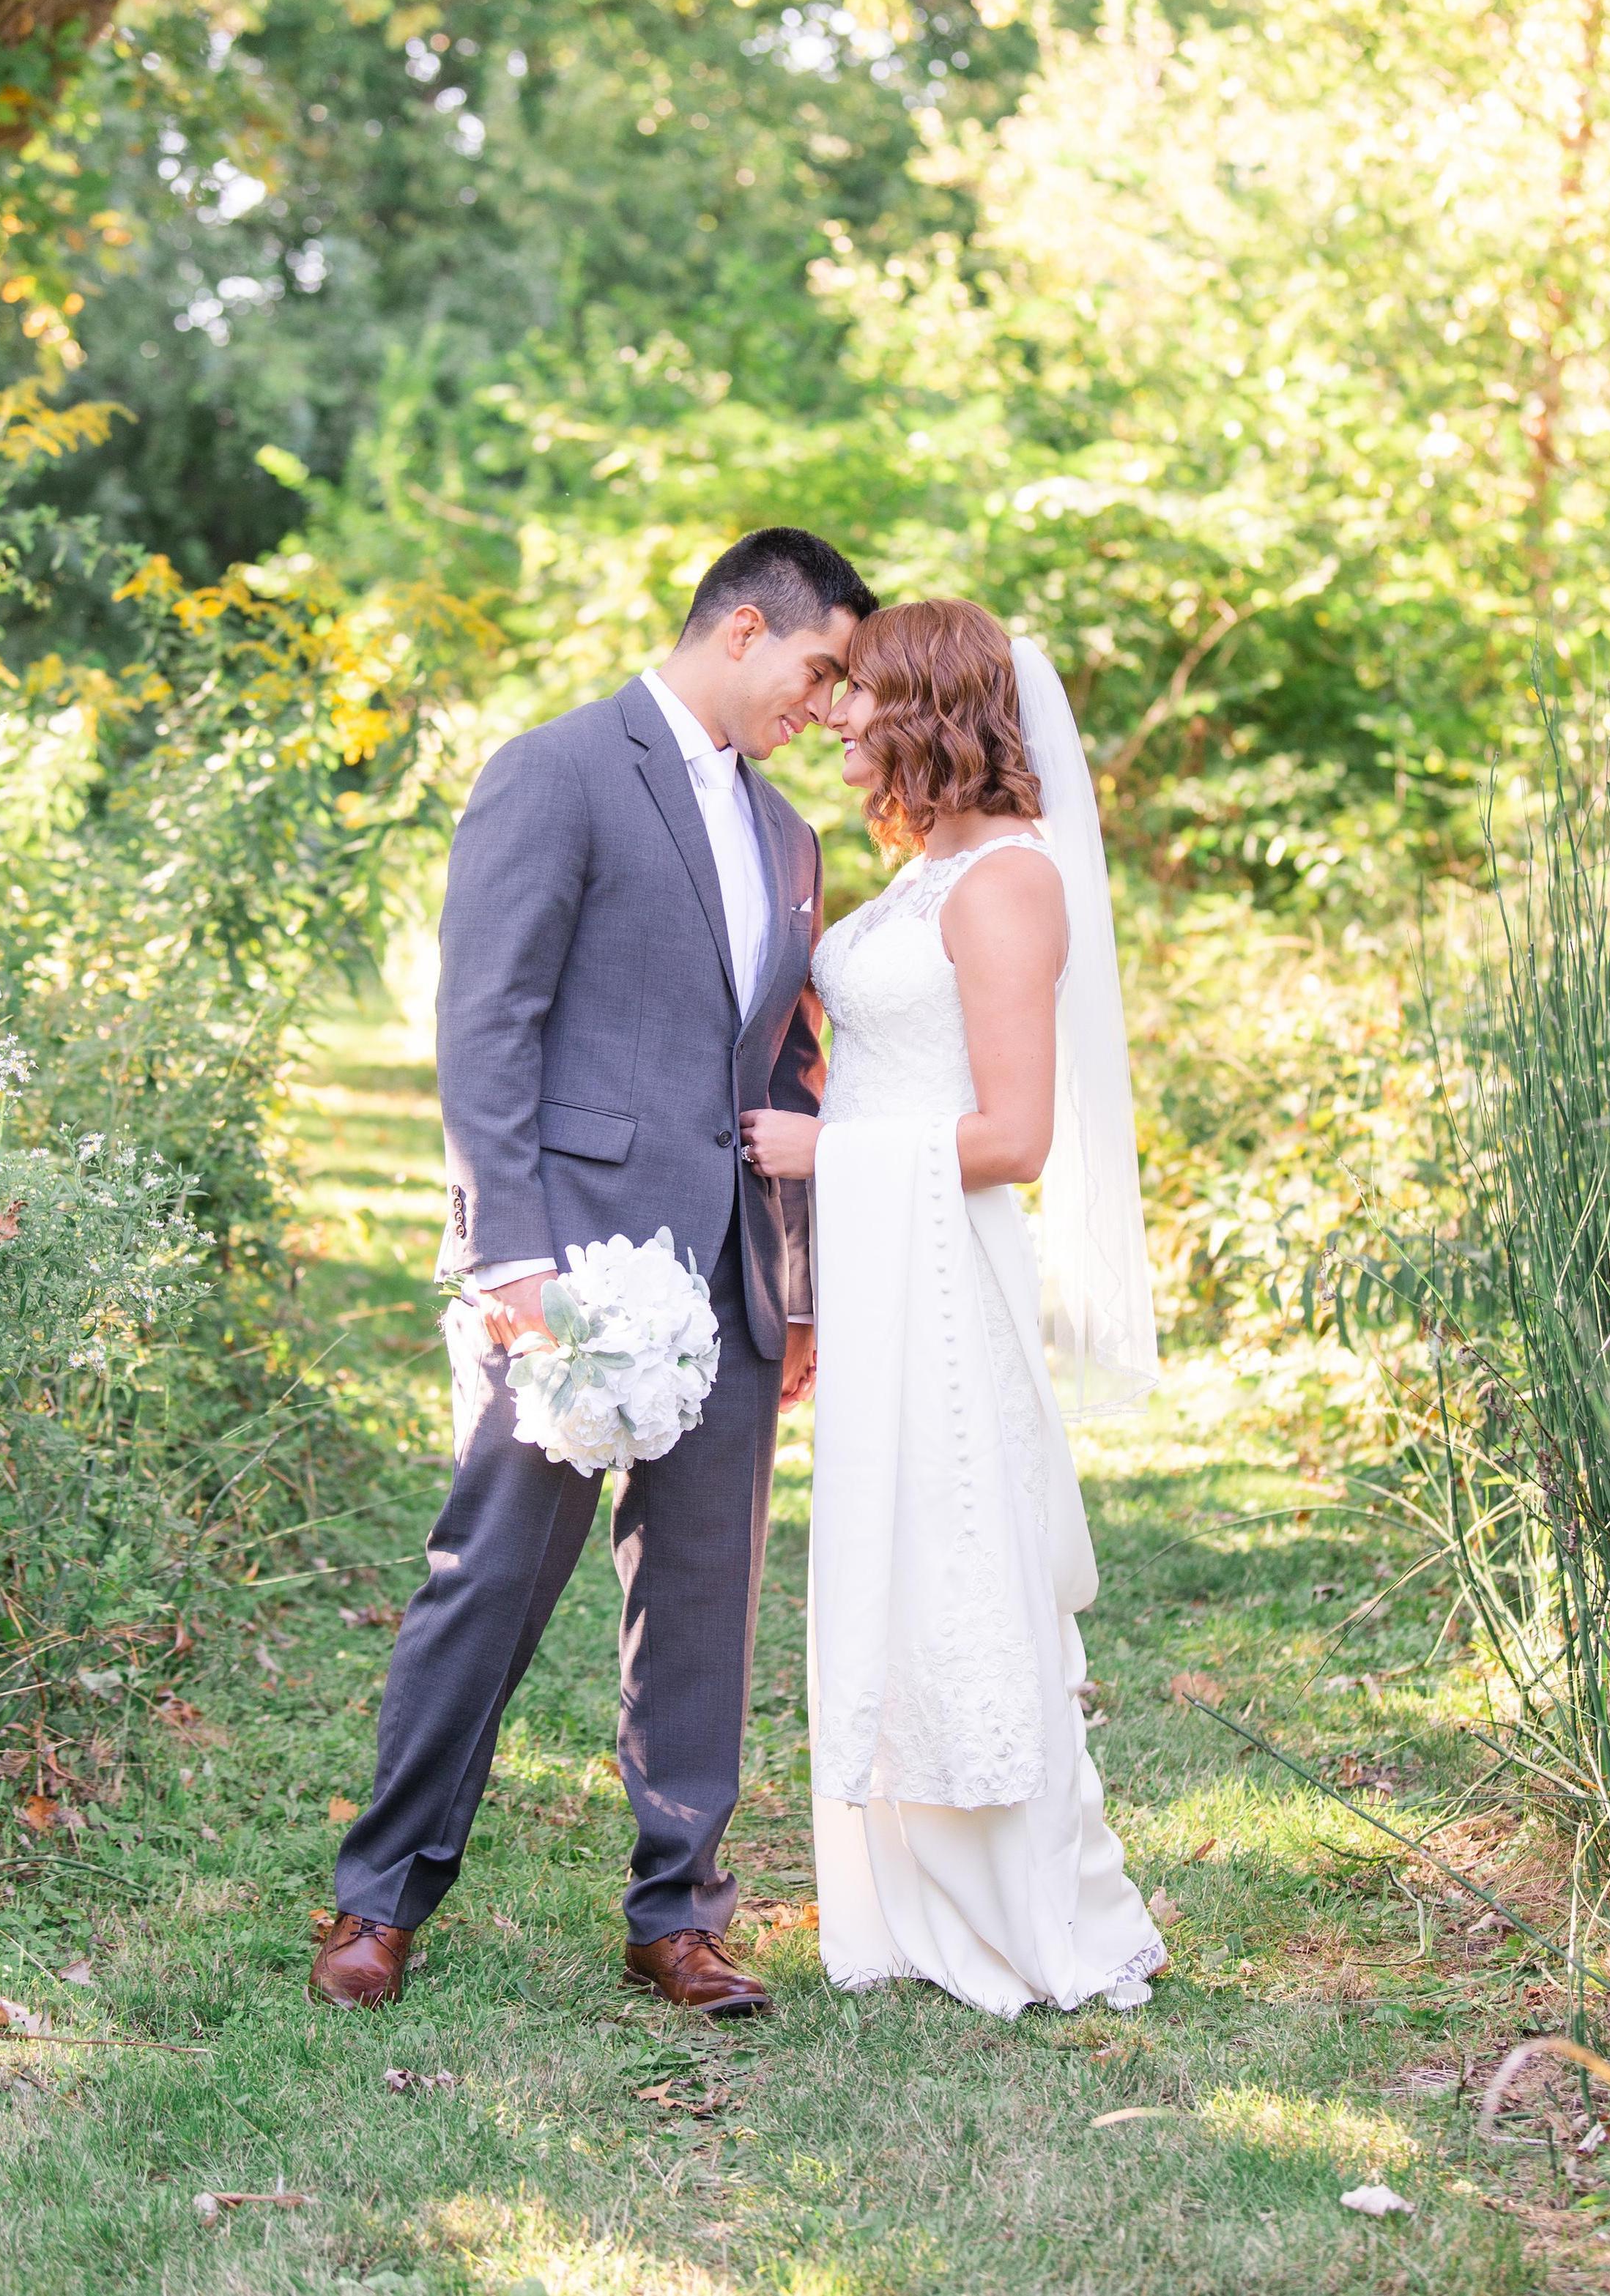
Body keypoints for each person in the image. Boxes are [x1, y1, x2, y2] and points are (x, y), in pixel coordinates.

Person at [310, 528, 875, 2015]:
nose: (824, 707)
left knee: (703, 1603)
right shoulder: (555, 770)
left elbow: (788, 1068)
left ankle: (677, 1915)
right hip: (558, 1267)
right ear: (743, 628)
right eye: (819, 669)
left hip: (728, 1279)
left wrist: (795, 1289)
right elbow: (486, 1022)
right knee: (490, 1578)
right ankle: (381, 1898)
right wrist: (509, 1253)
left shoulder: (792, 838)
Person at [740, 598, 1168, 2018]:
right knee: (897, 1556)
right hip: (880, 1265)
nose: (836, 715)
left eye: (860, 693)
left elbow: (1016, 1137)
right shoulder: (927, 871)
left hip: (940, 1270)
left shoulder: (1005, 884)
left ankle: (1018, 1903)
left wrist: (826, 1153)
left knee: (961, 1561)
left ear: (928, 705)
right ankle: (913, 1891)